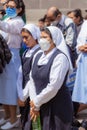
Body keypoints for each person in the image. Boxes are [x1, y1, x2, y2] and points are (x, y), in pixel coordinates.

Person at [24, 26, 73, 130]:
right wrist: (34, 103)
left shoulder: (60, 58)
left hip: (57, 106)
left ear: (54, 39)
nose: (42, 40)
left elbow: (54, 86)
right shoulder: (38, 55)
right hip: (38, 104)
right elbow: (32, 79)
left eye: (45, 37)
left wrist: (37, 102)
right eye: (41, 37)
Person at [0, 0, 25, 129]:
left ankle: (14, 118)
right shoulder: (7, 18)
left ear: (20, 9)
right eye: (7, 6)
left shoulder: (19, 21)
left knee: (10, 88)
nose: (9, 8)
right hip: (3, 55)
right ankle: (7, 116)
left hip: (12, 57)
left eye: (12, 7)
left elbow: (7, 28)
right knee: (3, 87)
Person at [17, 23, 41, 130]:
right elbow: (21, 74)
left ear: (35, 36)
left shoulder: (39, 53)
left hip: (33, 93)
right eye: (22, 37)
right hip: (25, 93)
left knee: (35, 123)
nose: (24, 40)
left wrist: (23, 96)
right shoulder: (26, 52)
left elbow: (32, 78)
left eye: (26, 37)